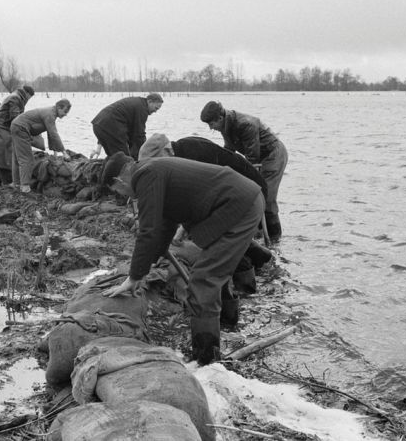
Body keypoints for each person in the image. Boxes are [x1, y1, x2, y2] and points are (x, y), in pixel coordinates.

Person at [100, 152, 264, 365]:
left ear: (119, 180)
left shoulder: (145, 175)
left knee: (203, 280)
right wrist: (148, 265)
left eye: (119, 192)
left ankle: (207, 359)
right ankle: (229, 327)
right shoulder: (152, 170)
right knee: (215, 272)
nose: (125, 196)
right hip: (237, 203)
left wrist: (134, 276)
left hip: (238, 206)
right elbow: (164, 224)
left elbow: (148, 231)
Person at [138, 133, 271, 245]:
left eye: (155, 163)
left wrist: (182, 229)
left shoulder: (191, 154)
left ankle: (254, 256)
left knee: (205, 236)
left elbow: (198, 198)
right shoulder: (182, 147)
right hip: (235, 192)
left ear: (167, 151)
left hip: (250, 191)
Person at [200, 101, 288, 241]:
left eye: (211, 124)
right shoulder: (225, 126)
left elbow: (252, 157)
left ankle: (274, 236)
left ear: (220, 118)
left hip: (273, 155)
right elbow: (229, 150)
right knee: (254, 194)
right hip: (260, 156)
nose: (211, 127)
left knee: (267, 196)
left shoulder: (245, 124)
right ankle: (257, 231)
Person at [10, 99, 72, 193]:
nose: (65, 114)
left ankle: (16, 183)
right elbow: (54, 134)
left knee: (17, 157)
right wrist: (64, 152)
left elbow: (50, 134)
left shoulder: (51, 112)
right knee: (27, 158)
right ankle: (25, 186)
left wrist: (55, 153)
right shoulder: (50, 115)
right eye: (65, 111)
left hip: (16, 126)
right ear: (59, 107)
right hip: (21, 128)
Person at [89, 93, 163, 160]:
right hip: (109, 127)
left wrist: (98, 147)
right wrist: (144, 154)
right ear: (149, 101)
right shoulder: (142, 109)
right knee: (124, 159)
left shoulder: (137, 103)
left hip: (98, 125)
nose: (155, 111)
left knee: (114, 156)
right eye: (156, 108)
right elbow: (139, 135)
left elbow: (132, 134)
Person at [0, 85, 34, 185]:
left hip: (0, 125)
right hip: (1, 126)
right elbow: (16, 117)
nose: (29, 99)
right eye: (30, 97)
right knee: (6, 152)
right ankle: (6, 181)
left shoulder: (16, 96)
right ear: (27, 93)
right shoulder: (15, 98)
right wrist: (24, 130)